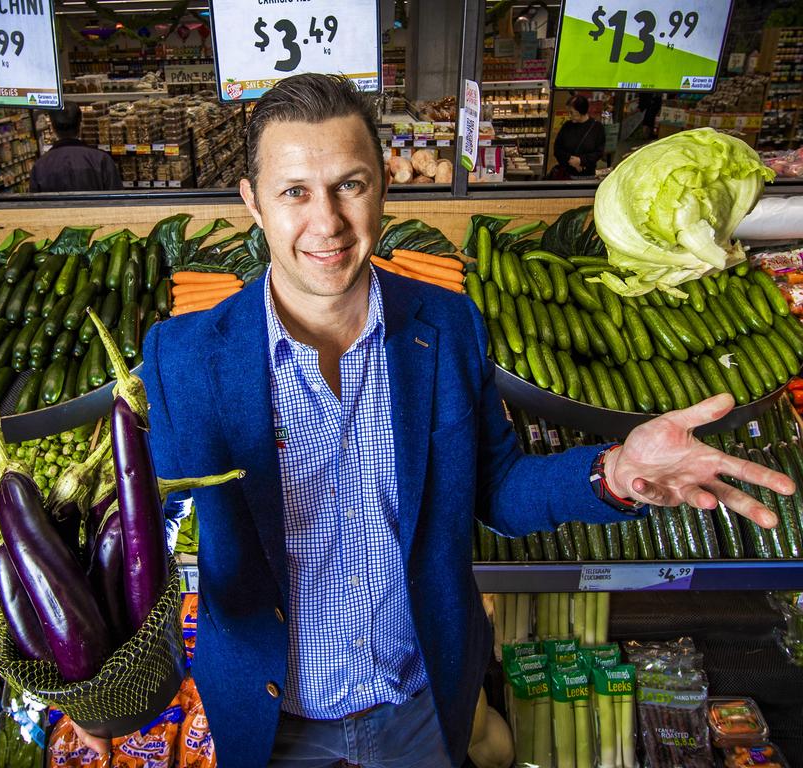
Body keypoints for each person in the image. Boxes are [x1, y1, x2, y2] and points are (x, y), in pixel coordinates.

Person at [77, 74, 791, 768]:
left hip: (421, 708)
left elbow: (498, 490)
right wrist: (85, 664)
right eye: (295, 192)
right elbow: (143, 526)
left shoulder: (446, 327)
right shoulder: (186, 357)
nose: (326, 222)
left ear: (383, 189)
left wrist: (614, 474)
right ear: (254, 204)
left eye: (349, 185)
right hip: (267, 724)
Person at [29, 102, 122, 193]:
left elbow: (35, 204)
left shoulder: (40, 166)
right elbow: (118, 199)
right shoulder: (102, 160)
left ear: (52, 128)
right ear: (81, 125)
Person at [551, 95, 606, 178]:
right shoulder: (567, 126)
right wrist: (571, 161)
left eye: (571, 112)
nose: (569, 115)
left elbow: (599, 152)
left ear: (581, 111)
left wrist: (581, 161)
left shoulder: (597, 127)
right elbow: (557, 149)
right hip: (566, 176)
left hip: (588, 176)